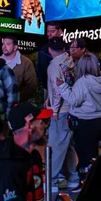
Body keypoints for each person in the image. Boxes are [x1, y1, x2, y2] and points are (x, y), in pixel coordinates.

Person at [57, 52, 101, 174]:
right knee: (93, 152)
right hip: (100, 120)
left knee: (83, 154)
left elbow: (74, 100)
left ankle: (85, 180)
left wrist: (62, 87)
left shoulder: (83, 82)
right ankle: (94, 176)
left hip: (84, 121)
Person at [43, 37, 78, 188]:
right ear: (64, 49)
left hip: (61, 111)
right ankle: (73, 177)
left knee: (55, 146)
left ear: (50, 50)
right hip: (72, 109)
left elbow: (57, 92)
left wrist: (54, 110)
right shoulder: (70, 61)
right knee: (67, 145)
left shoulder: (53, 66)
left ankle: (52, 179)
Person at [0, 35, 38, 103]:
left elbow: (31, 86)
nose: (4, 47)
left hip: (18, 103)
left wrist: (16, 98)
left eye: (8, 44)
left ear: (15, 47)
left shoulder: (26, 63)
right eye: (3, 44)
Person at [36, 22, 63, 89]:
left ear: (60, 31)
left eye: (52, 31)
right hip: (48, 88)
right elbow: (39, 71)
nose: (49, 34)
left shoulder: (68, 49)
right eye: (48, 31)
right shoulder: (42, 50)